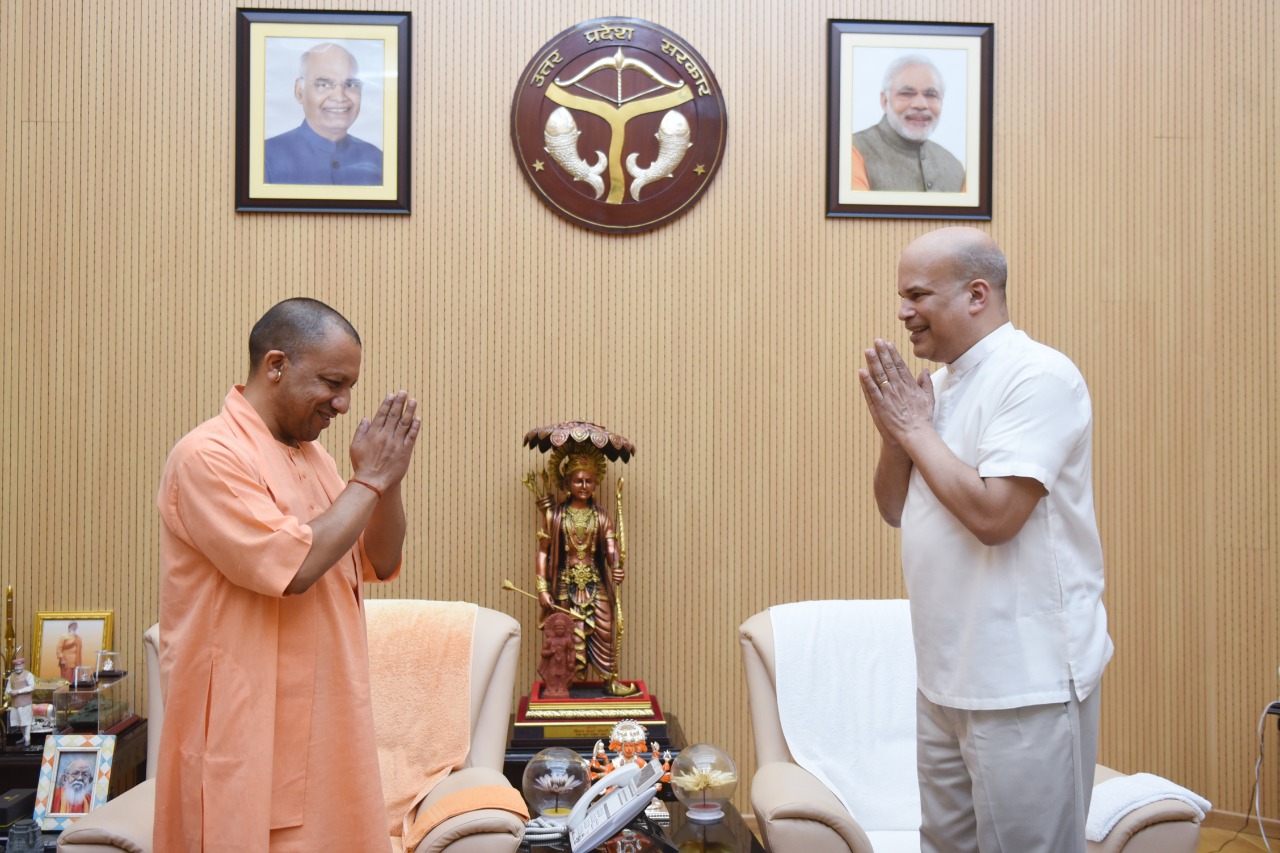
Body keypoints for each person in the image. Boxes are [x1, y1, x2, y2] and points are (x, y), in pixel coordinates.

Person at [859, 227, 1112, 851]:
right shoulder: (937, 390)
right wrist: (898, 435)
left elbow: (997, 518)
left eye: (917, 294)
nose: (902, 312)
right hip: (945, 676)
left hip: (1023, 682)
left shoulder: (1039, 376)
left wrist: (915, 432)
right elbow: (894, 508)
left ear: (977, 294)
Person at [156, 297, 421, 851]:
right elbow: (297, 566)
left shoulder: (315, 457)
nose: (344, 403)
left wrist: (386, 478)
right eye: (331, 382)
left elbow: (384, 560)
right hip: (248, 734)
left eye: (350, 385)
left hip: (330, 732)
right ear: (275, 365)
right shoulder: (208, 456)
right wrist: (368, 480)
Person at [533, 446, 637, 697]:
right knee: (566, 635)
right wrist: (542, 588)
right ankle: (562, 682)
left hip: (595, 581)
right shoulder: (555, 515)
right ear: (568, 482)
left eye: (589, 481)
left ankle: (609, 678)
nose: (583, 485)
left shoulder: (601, 516)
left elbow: (610, 544)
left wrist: (616, 564)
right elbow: (543, 552)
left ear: (596, 483)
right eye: (578, 480)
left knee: (606, 627)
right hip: (564, 585)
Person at [264, 43, 383, 186]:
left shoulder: (378, 160)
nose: (339, 97)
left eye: (351, 84)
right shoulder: (265, 158)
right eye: (324, 85)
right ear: (299, 92)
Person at [851, 55, 965, 192]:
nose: (920, 104)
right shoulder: (852, 151)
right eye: (906, 93)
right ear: (884, 101)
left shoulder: (954, 167)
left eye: (931, 95)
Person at [5, 657, 35, 746]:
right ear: (14, 667)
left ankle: (27, 738)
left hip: (25, 702)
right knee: (19, 721)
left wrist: (18, 691)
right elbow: (8, 688)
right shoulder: (11, 676)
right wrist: (10, 692)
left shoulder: (28, 675)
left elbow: (32, 687)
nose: (18, 668)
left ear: (23, 665)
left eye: (20, 666)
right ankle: (24, 737)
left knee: (27, 720)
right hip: (15, 702)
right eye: (16, 666)